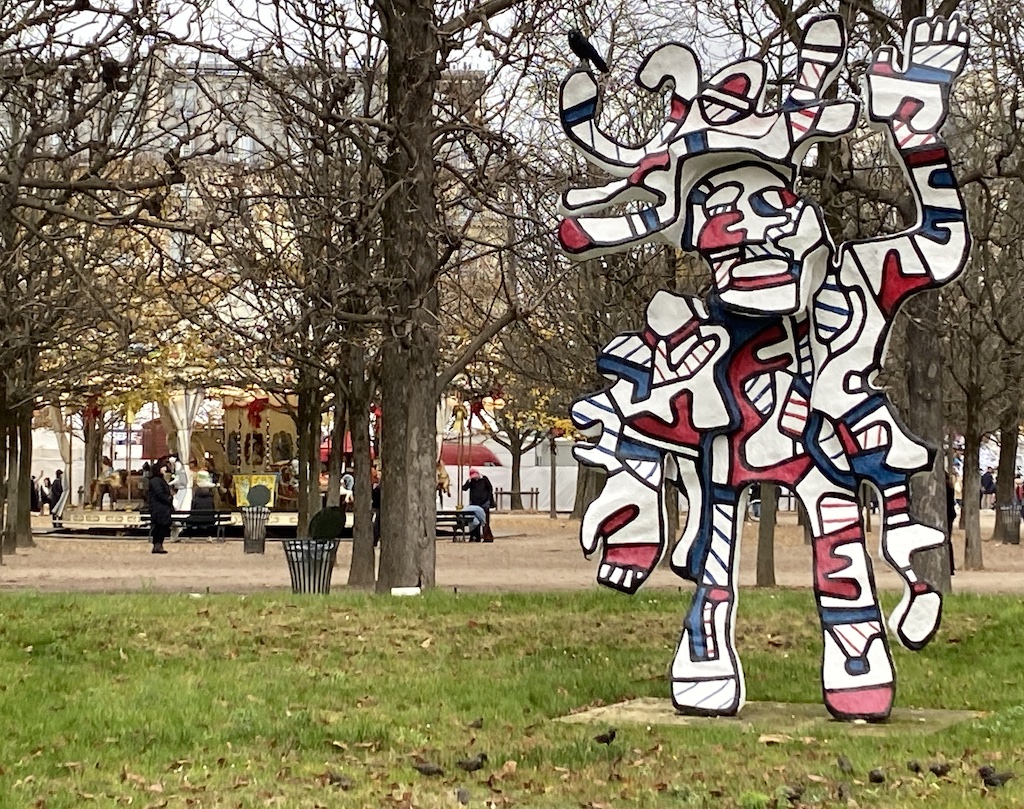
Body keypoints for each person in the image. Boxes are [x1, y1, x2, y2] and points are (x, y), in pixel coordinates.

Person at [462, 468, 495, 542]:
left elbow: (490, 489)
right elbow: (464, 488)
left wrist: (489, 499)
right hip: (475, 505)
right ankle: (476, 537)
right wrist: (468, 482)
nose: (475, 478)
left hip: (484, 503)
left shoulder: (484, 479)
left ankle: (487, 537)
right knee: (475, 521)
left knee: (485, 521)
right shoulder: (471, 481)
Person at [148, 462, 173, 554]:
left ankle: (159, 544)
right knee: (160, 526)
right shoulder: (156, 480)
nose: (165, 469)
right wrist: (168, 499)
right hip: (159, 508)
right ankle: (157, 544)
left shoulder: (159, 480)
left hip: (161, 507)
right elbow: (159, 493)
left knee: (162, 526)